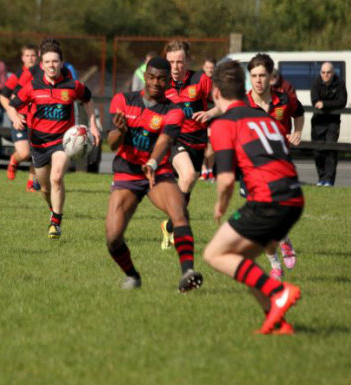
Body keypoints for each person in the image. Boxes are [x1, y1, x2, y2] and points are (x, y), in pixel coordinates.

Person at [204, 60, 304, 335]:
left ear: (216, 94)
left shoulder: (225, 124)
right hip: (294, 198)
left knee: (214, 253)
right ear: (244, 87)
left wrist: (220, 206)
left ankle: (278, 291)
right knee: (242, 261)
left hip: (268, 201)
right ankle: (278, 321)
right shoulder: (265, 117)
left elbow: (225, 179)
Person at [107, 56, 204, 291]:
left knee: (179, 210)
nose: (155, 83)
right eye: (151, 77)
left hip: (157, 172)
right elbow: (111, 144)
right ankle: (132, 275)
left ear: (168, 81)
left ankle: (187, 272)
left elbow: (165, 140)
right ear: (145, 77)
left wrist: (152, 162)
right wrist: (120, 132)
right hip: (127, 174)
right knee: (113, 238)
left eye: (161, 78)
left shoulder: (174, 110)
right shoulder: (123, 100)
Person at [6, 39, 100, 239]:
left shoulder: (72, 85)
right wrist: (15, 118)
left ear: (61, 62)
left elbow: (88, 99)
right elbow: (12, 103)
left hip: (62, 141)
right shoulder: (32, 86)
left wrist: (92, 125)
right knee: (45, 187)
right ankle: (53, 209)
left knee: (56, 177)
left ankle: (55, 222)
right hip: (39, 144)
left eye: (55, 62)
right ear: (42, 65)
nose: (51, 65)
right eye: (48, 62)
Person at [245, 53, 304, 280]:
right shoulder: (243, 104)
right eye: (254, 76)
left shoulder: (285, 99)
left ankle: (280, 251)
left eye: (262, 75)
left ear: (271, 77)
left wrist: (297, 132)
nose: (258, 80)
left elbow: (299, 113)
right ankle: (275, 260)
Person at [160, 40, 218, 250]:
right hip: (174, 140)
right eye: (171, 62)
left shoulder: (200, 80)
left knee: (186, 186)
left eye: (179, 62)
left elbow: (223, 102)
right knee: (188, 176)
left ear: (188, 61)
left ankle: (169, 226)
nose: (175, 67)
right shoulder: (161, 82)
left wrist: (210, 113)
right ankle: (175, 226)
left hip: (198, 142)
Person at [0, 43, 39, 191]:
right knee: (24, 153)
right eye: (27, 55)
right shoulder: (17, 76)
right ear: (22, 58)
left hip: (37, 119)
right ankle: (14, 161)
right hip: (20, 118)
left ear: (38, 57)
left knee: (37, 153)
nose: (30, 58)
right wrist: (14, 115)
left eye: (33, 55)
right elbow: (3, 97)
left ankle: (32, 183)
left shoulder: (42, 74)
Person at [311, 62, 347, 187]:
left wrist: (325, 105)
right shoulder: (316, 83)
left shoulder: (340, 84)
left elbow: (342, 102)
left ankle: (329, 180)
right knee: (318, 151)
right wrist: (329, 103)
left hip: (333, 122)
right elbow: (315, 101)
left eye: (328, 72)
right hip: (318, 122)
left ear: (333, 73)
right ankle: (321, 179)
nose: (325, 75)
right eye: (323, 72)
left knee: (330, 151)